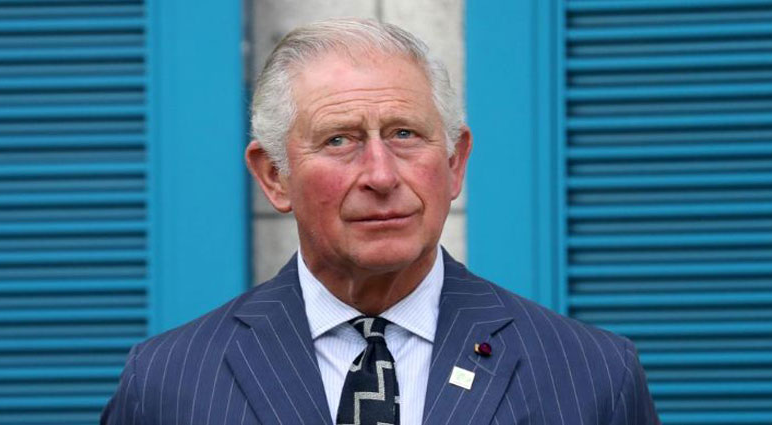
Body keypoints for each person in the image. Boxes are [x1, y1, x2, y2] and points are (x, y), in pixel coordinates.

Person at [101, 18, 659, 425]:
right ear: (274, 176)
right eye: (339, 140)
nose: (381, 174)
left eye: (404, 134)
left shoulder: (592, 374)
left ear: (455, 162)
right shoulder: (168, 382)